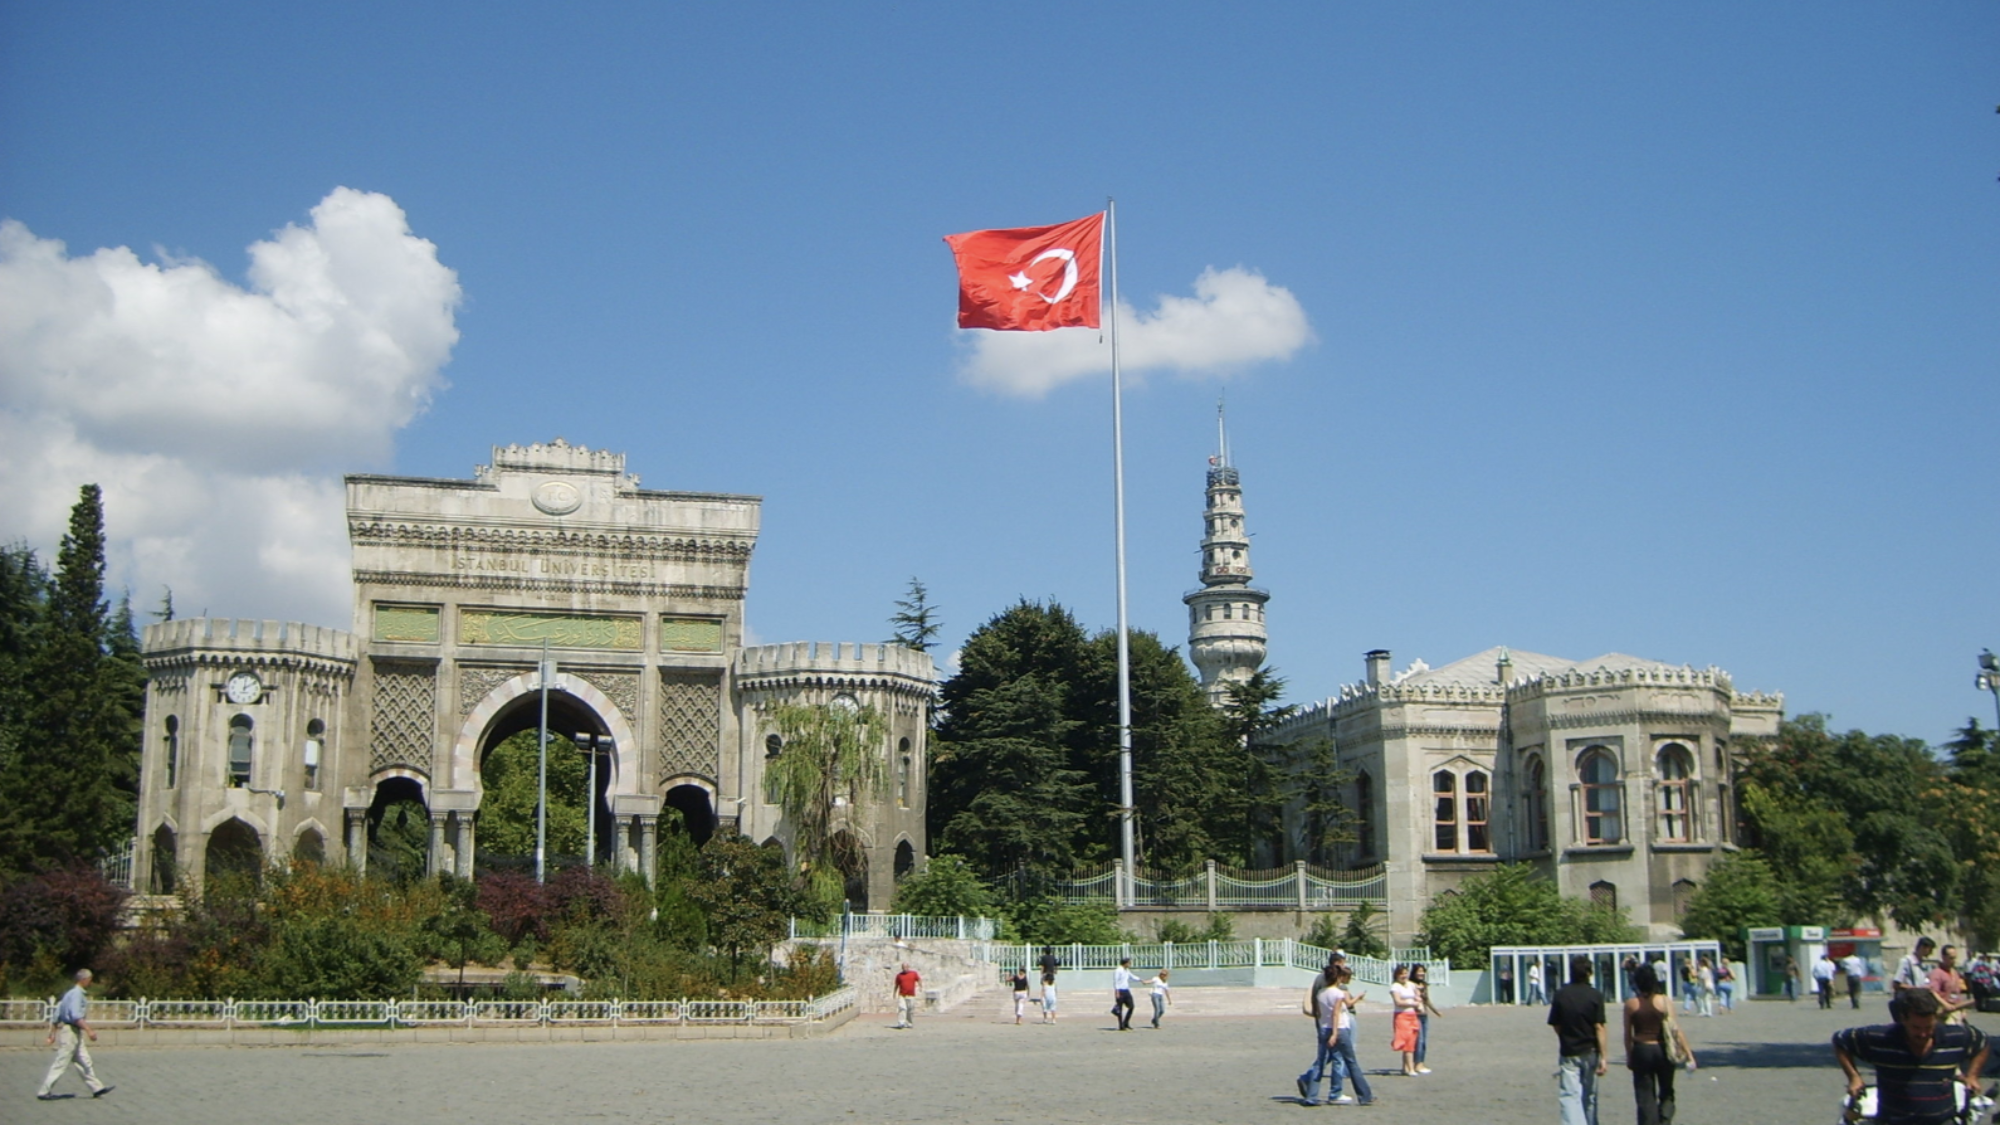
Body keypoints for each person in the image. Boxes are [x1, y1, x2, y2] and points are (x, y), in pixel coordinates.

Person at [1833, 986, 1989, 1125]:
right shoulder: (1881, 1038)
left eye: (1928, 1027)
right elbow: (1841, 1041)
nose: (1923, 1034)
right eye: (1916, 1027)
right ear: (1903, 1019)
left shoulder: (1955, 1037)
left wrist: (1972, 1076)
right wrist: (1854, 1077)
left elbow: (1982, 1042)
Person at [1623, 964, 1693, 1125]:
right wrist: (1688, 1053)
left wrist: (1629, 1055)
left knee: (1644, 1094)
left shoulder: (1631, 1004)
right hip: (1662, 1049)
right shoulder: (1664, 1001)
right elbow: (1675, 1029)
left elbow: (1628, 1034)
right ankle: (1664, 1119)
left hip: (1642, 1049)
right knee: (1667, 1090)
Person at [1549, 954, 1608, 1125]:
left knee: (1569, 1095)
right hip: (1590, 1050)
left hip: (1569, 1050)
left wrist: (1565, 1036)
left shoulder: (1561, 994)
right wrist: (1603, 1057)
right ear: (1589, 973)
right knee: (1589, 1095)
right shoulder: (1595, 995)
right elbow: (1599, 1027)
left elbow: (1556, 1024)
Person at [37, 969, 112, 1101]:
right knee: (62, 1061)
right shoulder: (77, 995)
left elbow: (56, 1015)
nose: (91, 982)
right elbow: (76, 1016)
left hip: (74, 1032)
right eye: (90, 979)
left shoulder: (69, 994)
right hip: (70, 1032)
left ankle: (96, 1088)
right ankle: (44, 1090)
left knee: (84, 1060)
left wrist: (52, 1034)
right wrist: (89, 1030)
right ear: (84, 980)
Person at [1324, 965, 1374, 1106]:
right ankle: (1363, 1095)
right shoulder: (1340, 991)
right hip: (1341, 1025)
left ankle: (1331, 1090)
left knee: (1334, 1058)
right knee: (1348, 1059)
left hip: (1330, 1026)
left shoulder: (1323, 992)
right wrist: (1358, 997)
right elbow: (1344, 1006)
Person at [1298, 967, 1346, 1106]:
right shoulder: (1337, 992)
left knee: (1321, 1061)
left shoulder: (1320, 992)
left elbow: (1315, 1007)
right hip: (1334, 1027)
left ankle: (1311, 1095)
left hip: (1323, 1026)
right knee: (1338, 1059)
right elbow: (1335, 1014)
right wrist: (1335, 1033)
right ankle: (1336, 1093)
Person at [1926, 945, 1975, 1025]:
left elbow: (1957, 993)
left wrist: (1963, 1010)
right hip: (1944, 1012)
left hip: (1956, 1010)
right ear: (1944, 957)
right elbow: (1932, 992)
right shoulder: (1936, 973)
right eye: (1951, 958)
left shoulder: (1955, 972)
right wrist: (1945, 1005)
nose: (1953, 961)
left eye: (1955, 958)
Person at [1389, 964, 1422, 1076]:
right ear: (1396, 975)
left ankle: (1405, 1067)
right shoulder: (1395, 986)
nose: (1404, 976)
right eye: (1401, 974)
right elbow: (1398, 1002)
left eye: (1405, 973)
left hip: (1412, 1015)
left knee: (1412, 1040)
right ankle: (1411, 1068)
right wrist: (1412, 1003)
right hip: (1401, 1015)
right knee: (1407, 1042)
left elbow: (1418, 996)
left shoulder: (1411, 985)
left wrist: (1418, 999)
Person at [1412, 963, 1443, 1074]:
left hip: (1424, 1015)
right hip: (1415, 1015)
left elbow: (1427, 1000)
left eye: (1422, 971)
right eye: (1419, 971)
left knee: (1423, 1041)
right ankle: (1416, 1064)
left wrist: (1436, 1011)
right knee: (1418, 1041)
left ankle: (1420, 1063)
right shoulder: (1411, 985)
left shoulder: (1424, 985)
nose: (1421, 973)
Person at [890, 962, 921, 1029]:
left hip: (911, 995)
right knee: (902, 1008)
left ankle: (909, 1023)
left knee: (910, 1010)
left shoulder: (913, 974)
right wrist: (894, 993)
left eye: (906, 967)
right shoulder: (899, 976)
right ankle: (901, 1023)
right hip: (902, 995)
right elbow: (896, 985)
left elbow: (918, 979)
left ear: (908, 967)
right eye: (903, 967)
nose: (904, 969)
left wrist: (920, 987)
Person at [1111, 957, 1138, 1031]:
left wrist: (1141, 980)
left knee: (1131, 1006)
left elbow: (1132, 977)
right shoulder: (1118, 970)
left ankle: (1126, 1022)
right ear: (1125, 963)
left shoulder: (1127, 970)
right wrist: (1117, 992)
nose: (1130, 964)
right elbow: (1116, 981)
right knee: (1120, 1009)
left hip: (1126, 990)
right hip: (1120, 991)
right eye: (1129, 963)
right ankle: (1121, 1026)